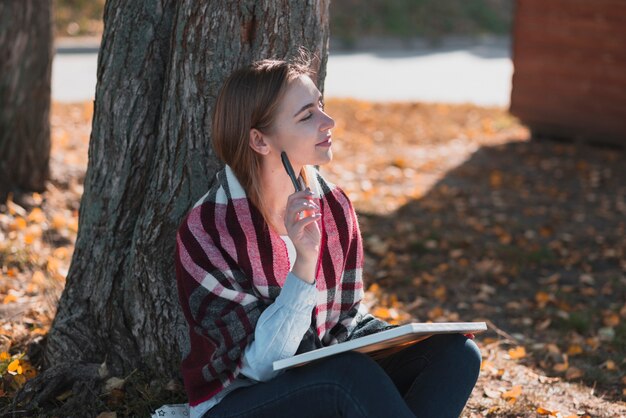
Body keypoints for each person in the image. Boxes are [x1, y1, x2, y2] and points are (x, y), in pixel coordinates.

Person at [175, 55, 481, 418]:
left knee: (454, 353)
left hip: (324, 376)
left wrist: (404, 339)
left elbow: (344, 324)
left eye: (320, 105)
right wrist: (304, 264)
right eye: (307, 116)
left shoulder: (333, 206)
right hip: (241, 399)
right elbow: (259, 367)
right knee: (345, 376)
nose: (329, 121)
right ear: (259, 140)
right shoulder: (208, 230)